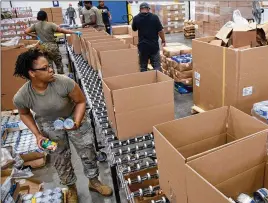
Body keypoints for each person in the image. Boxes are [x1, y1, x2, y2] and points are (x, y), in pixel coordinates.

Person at [13, 49, 113, 203]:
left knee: (87, 151)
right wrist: (37, 134)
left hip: (73, 116)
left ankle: (94, 181)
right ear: (32, 73)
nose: (51, 69)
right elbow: (24, 113)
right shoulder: (22, 96)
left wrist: (77, 122)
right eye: (45, 68)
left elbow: (80, 102)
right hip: (48, 123)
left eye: (49, 66)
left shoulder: (64, 82)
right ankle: (70, 187)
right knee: (59, 157)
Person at [132, 2, 166, 72]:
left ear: (140, 9)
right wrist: (163, 40)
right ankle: (159, 81)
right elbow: (160, 31)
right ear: (148, 9)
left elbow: (134, 29)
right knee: (156, 66)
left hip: (142, 47)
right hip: (154, 47)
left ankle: (145, 81)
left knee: (143, 67)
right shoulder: (155, 17)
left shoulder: (136, 18)